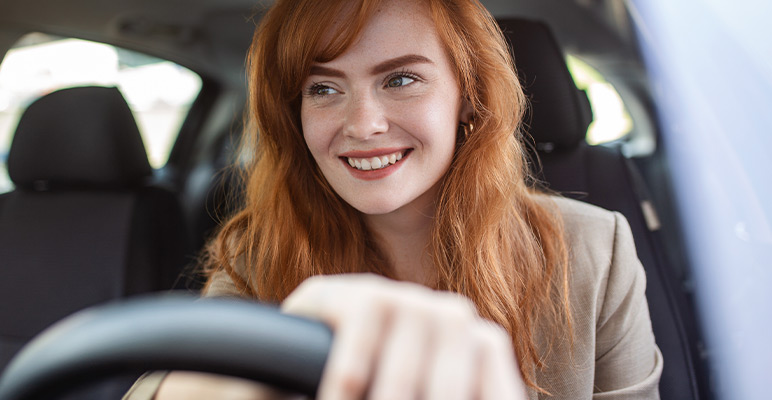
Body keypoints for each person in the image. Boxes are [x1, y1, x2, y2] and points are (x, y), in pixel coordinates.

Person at [124, 0, 662, 398]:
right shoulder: (259, 254)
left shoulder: (595, 248)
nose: (363, 125)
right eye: (325, 89)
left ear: (468, 98)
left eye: (401, 79)